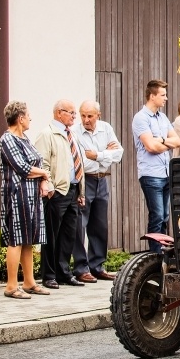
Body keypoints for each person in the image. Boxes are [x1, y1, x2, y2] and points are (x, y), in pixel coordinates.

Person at [0, 101, 51, 298]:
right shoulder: (8, 140)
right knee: (16, 239)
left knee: (28, 240)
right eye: (28, 115)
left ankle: (29, 282)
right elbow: (22, 168)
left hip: (31, 196)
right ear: (20, 118)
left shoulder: (25, 139)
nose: (30, 118)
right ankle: (11, 286)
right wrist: (44, 174)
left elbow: (34, 164)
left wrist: (41, 176)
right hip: (16, 195)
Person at [34, 100, 87, 288]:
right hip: (57, 192)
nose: (74, 116)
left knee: (68, 235)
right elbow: (42, 163)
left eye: (74, 113)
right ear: (58, 113)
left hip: (72, 190)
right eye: (71, 113)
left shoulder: (72, 134)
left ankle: (63, 272)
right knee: (51, 234)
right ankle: (48, 275)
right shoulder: (47, 134)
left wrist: (81, 191)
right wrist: (49, 186)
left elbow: (77, 163)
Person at [72, 100, 123, 281]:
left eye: (90, 116)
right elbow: (81, 160)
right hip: (85, 180)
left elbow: (119, 154)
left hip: (102, 180)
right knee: (80, 224)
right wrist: (105, 153)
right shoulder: (75, 132)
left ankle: (97, 266)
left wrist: (98, 155)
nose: (86, 119)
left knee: (100, 225)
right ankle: (81, 268)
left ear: (98, 115)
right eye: (83, 115)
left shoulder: (106, 128)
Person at [132, 80, 180, 253]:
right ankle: (156, 252)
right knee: (157, 214)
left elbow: (177, 141)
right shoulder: (141, 118)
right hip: (151, 174)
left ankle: (164, 250)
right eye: (163, 95)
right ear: (152, 96)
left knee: (166, 216)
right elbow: (150, 147)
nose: (166, 98)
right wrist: (164, 143)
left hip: (165, 172)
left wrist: (160, 140)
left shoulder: (163, 117)